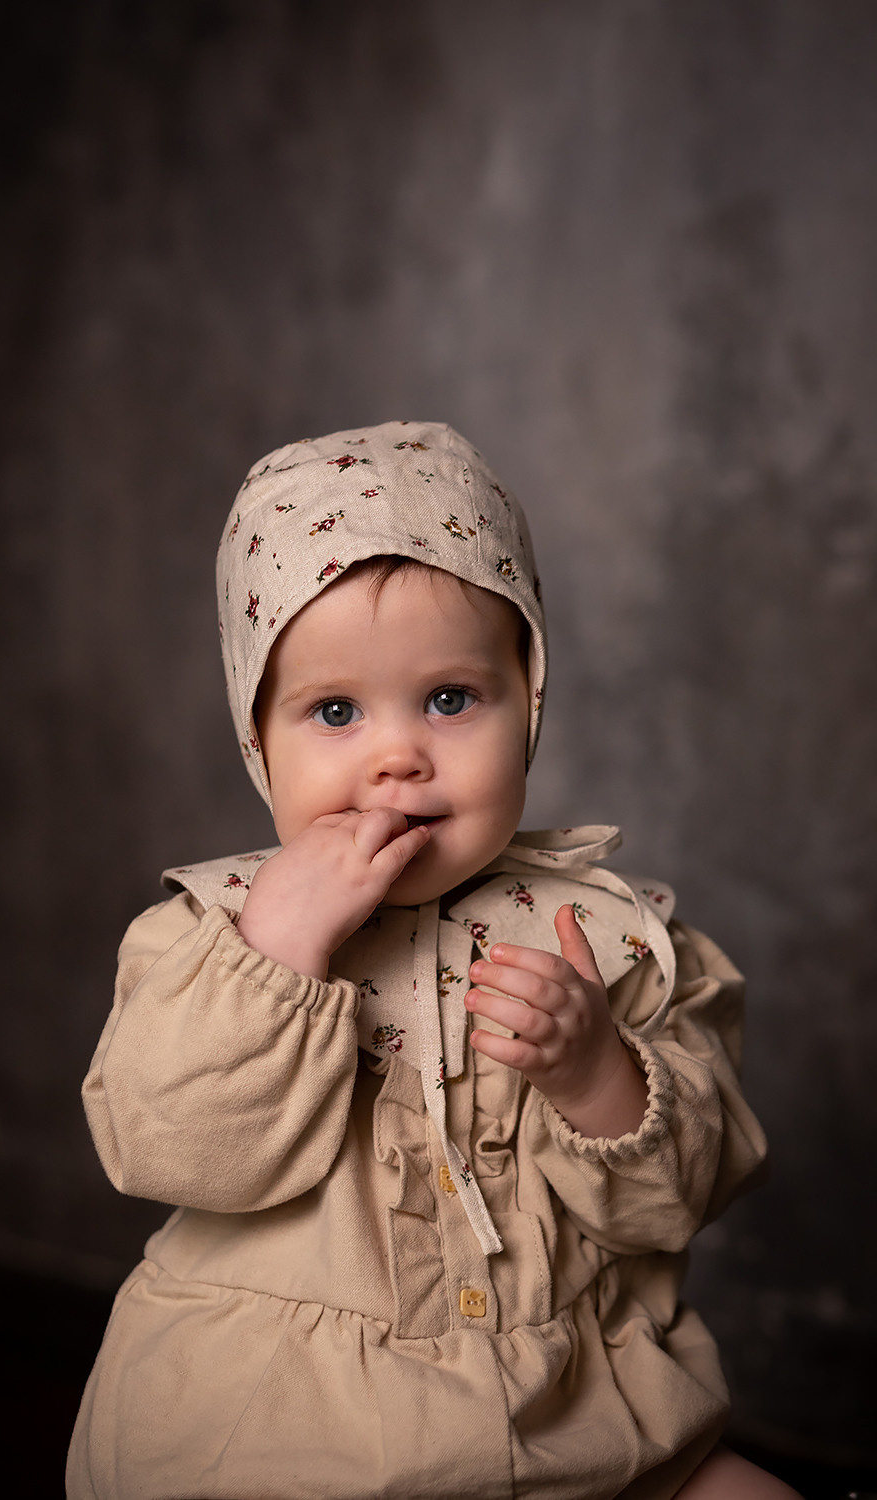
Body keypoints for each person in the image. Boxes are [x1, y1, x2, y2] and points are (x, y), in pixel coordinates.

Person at [67, 421, 798, 1499]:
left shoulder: (612, 936)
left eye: (450, 699)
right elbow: (167, 1150)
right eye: (333, 711)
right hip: (278, 1437)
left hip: (573, 1420)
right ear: (257, 741)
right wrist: (280, 952)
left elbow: (681, 1195)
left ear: (529, 705)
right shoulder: (212, 933)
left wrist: (599, 1074)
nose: (397, 752)